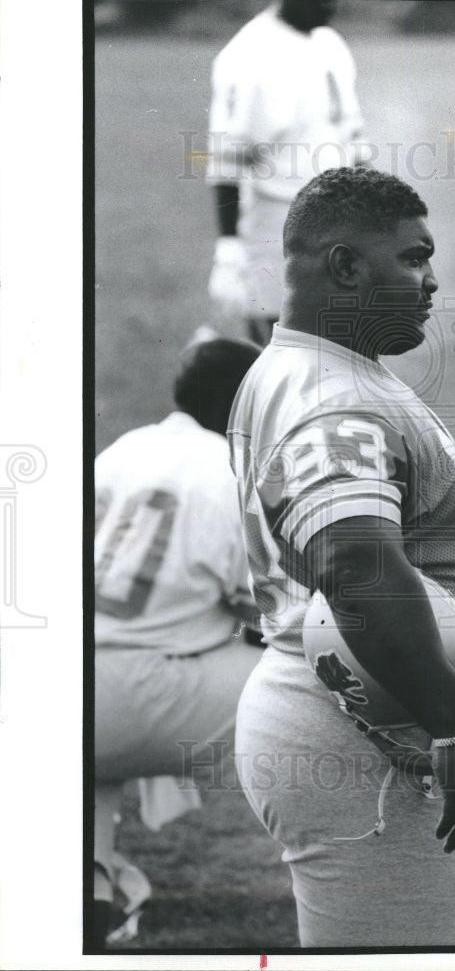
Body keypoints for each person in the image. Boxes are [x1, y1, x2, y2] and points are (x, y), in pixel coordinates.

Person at [229, 167, 455, 946]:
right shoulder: (333, 397)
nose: (430, 282)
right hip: (367, 742)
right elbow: (356, 568)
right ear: (345, 266)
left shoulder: (313, 367)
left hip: (377, 722)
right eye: (413, 259)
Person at [93, 338, 262, 947]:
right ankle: (345, 856)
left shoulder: (124, 450)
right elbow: (275, 612)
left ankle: (92, 879)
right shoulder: (228, 473)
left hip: (48, 692)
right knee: (321, 669)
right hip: (143, 698)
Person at [206, 0, 366, 345]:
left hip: (339, 216)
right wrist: (228, 246)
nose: (332, 3)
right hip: (277, 220)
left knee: (339, 349)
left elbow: (352, 135)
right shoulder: (248, 54)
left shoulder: (330, 43)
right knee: (280, 347)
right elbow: (227, 160)